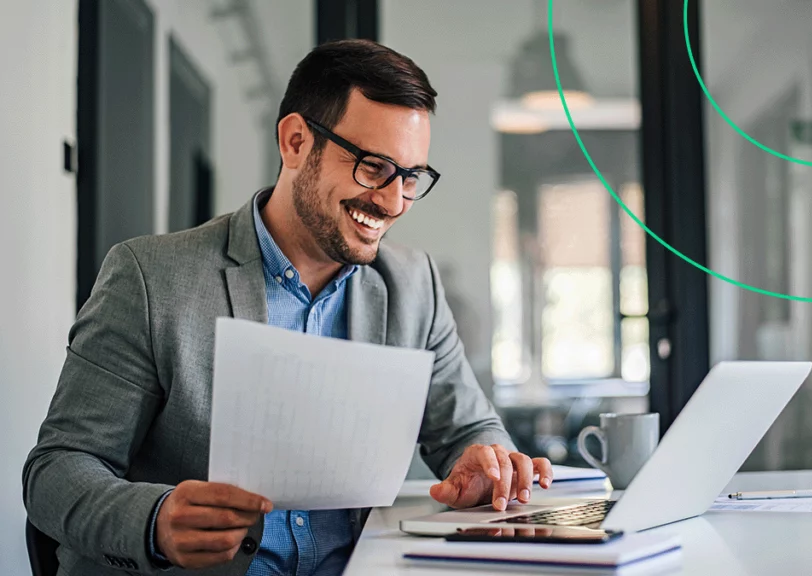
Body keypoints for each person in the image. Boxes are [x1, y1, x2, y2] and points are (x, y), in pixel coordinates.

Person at [23, 39, 552, 576]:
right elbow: (57, 470)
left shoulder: (413, 286)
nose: (393, 202)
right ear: (296, 141)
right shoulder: (151, 277)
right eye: (373, 167)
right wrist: (156, 520)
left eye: (411, 177)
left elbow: (468, 429)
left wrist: (485, 462)